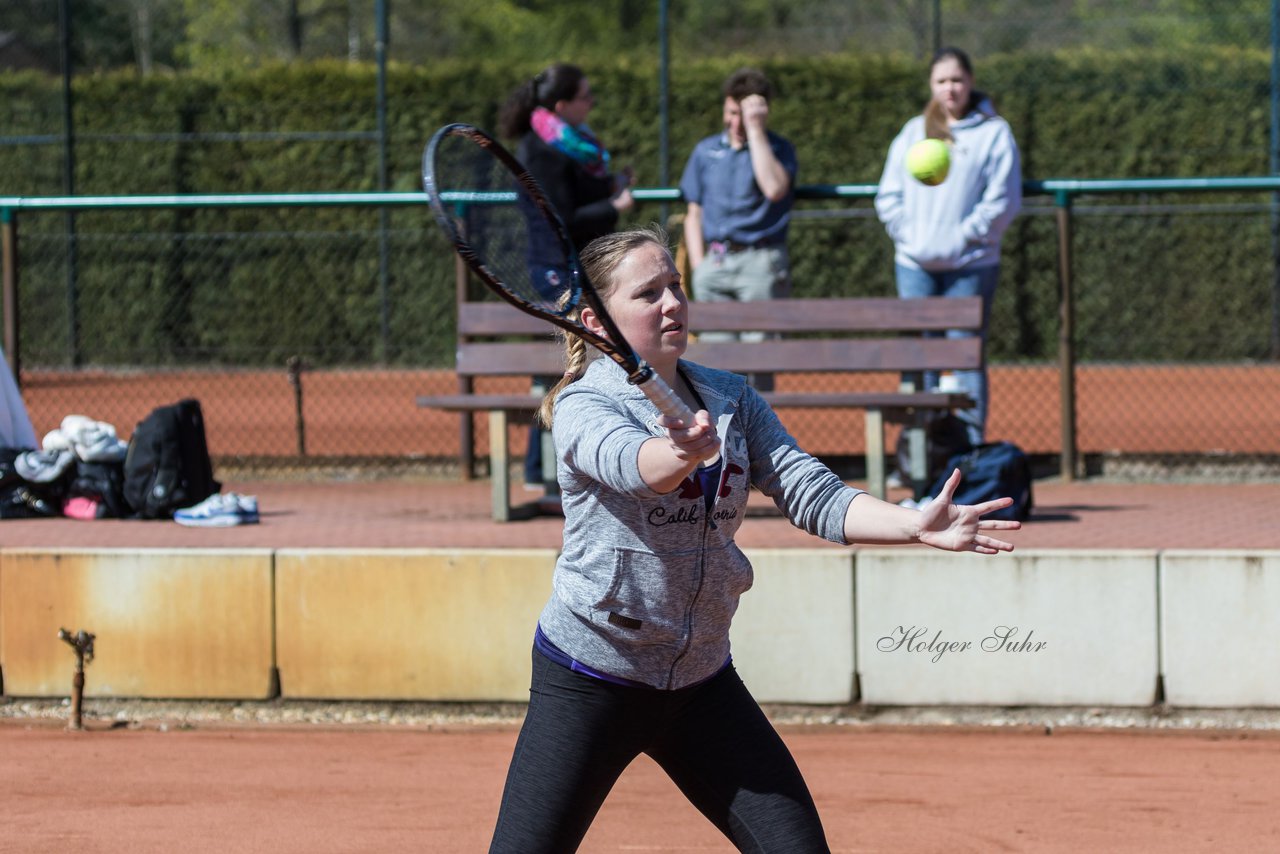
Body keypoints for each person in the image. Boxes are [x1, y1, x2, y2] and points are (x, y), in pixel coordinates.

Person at [487, 226, 1021, 853]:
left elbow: (810, 492)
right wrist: (679, 450)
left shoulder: (731, 397)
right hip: (590, 676)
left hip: (701, 684)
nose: (672, 304)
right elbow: (633, 465)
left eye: (676, 286)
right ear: (594, 321)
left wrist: (912, 524)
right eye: (648, 293)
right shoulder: (585, 404)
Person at [874, 47, 1022, 448]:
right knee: (918, 359)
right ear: (931, 85)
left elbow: (1003, 201)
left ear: (971, 82)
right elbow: (888, 197)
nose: (950, 88)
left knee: (964, 359)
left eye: (957, 80)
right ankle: (922, 452)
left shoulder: (994, 132)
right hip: (914, 266)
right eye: (941, 81)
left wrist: (963, 238)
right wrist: (912, 237)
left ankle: (970, 454)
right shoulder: (912, 131)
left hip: (971, 265)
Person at [498, 62, 636, 491]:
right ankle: (545, 473)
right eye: (586, 96)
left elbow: (576, 196)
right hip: (559, 273)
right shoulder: (541, 149)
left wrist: (610, 186)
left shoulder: (571, 143)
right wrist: (616, 206)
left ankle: (555, 469)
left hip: (582, 268)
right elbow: (563, 216)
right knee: (567, 368)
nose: (592, 103)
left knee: (578, 366)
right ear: (562, 105)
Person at [679, 67, 797, 391]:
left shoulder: (779, 149)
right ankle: (722, 438)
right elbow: (694, 212)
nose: (736, 123)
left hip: (760, 263)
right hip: (714, 265)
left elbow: (774, 188)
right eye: (732, 113)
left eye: (744, 115)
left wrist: (756, 132)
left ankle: (761, 438)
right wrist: (699, 265)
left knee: (760, 361)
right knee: (716, 362)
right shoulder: (705, 151)